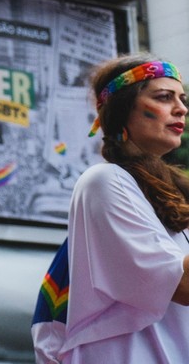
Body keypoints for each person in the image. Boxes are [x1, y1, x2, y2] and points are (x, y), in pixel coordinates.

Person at [54, 54, 189, 363]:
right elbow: (182, 284)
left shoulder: (176, 192)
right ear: (123, 110)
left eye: (181, 99)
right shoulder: (104, 181)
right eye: (164, 97)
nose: (181, 108)